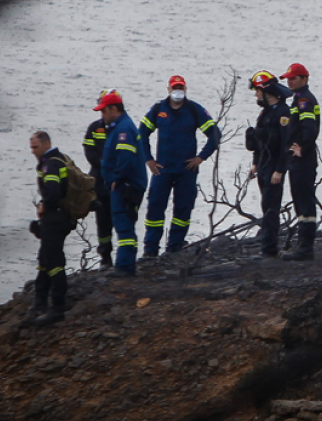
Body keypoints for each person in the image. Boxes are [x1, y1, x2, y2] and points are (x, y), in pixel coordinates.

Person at [138, 76, 221, 257]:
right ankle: (150, 251)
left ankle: (174, 248)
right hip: (162, 170)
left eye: (181, 87)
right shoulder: (159, 109)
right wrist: (148, 159)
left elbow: (215, 134)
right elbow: (142, 132)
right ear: (168, 89)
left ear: (185, 89)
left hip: (186, 170)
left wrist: (201, 157)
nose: (178, 91)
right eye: (174, 87)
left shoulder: (194, 109)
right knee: (154, 208)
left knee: (183, 209)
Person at [96, 90, 148, 277]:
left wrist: (116, 180)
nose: (102, 116)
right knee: (125, 225)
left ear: (113, 109)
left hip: (125, 186)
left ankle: (124, 266)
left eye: (103, 111)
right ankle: (126, 264)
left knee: (124, 225)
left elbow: (125, 158)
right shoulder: (119, 127)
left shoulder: (123, 129)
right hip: (125, 184)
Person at [276, 63, 322, 261]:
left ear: (304, 79)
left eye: (294, 78)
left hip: (303, 159)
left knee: (305, 201)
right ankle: (303, 245)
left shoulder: (304, 100)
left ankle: (305, 248)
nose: (290, 81)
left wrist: (301, 146)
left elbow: (310, 129)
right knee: (300, 200)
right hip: (298, 158)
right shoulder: (297, 99)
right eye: (288, 78)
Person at [246, 71, 293, 258]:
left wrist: (280, 170)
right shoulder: (264, 113)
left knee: (271, 208)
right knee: (265, 206)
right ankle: (267, 246)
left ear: (267, 91)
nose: (256, 95)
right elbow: (260, 142)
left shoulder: (283, 112)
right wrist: (255, 164)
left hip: (275, 167)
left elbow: (285, 145)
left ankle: (269, 249)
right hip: (264, 165)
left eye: (257, 90)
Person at [28, 131, 73, 326]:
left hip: (55, 219)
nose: (32, 151)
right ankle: (40, 302)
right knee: (44, 260)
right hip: (58, 217)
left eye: (35, 147)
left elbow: (53, 192)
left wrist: (44, 205)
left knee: (53, 263)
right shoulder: (57, 160)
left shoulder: (51, 164)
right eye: (31, 147)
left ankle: (57, 308)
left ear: (47, 144)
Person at [82, 91, 114, 270]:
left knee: (122, 220)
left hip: (117, 182)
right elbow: (89, 151)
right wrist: (103, 162)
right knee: (102, 223)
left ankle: (127, 256)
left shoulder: (121, 127)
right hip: (100, 182)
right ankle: (105, 257)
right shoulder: (94, 128)